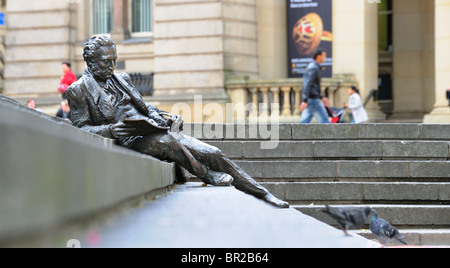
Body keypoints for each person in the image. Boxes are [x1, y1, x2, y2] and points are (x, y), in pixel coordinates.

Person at [66, 35, 289, 208]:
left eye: (114, 60)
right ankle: (207, 175)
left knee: (213, 152)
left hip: (152, 128)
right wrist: (112, 130)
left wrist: (165, 116)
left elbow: (144, 107)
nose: (112, 67)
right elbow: (81, 128)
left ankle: (263, 194)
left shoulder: (121, 78)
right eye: (107, 62)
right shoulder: (78, 90)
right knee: (168, 142)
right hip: (129, 140)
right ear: (90, 61)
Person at [299, 49, 331, 124]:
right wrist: (305, 100)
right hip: (313, 100)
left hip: (311, 99)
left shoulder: (314, 66)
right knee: (325, 121)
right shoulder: (313, 67)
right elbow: (307, 84)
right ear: (318, 56)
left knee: (304, 122)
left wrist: (321, 97)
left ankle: (295, 135)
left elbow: (314, 86)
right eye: (324, 56)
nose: (325, 58)